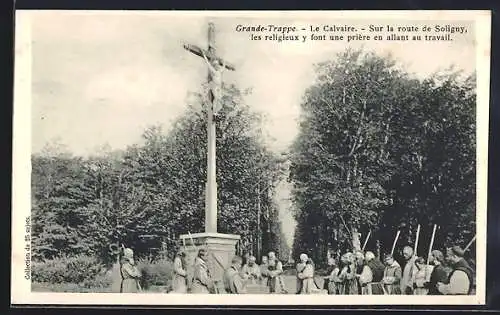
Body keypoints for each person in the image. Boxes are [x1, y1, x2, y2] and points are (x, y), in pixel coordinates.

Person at [202, 51, 225, 122]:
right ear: (214, 66)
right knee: (216, 98)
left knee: (219, 99)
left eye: (218, 65)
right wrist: (204, 55)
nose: (217, 66)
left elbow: (223, 67)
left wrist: (224, 62)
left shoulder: (219, 71)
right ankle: (214, 114)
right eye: (216, 65)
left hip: (219, 87)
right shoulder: (213, 71)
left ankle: (216, 113)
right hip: (214, 86)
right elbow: (208, 64)